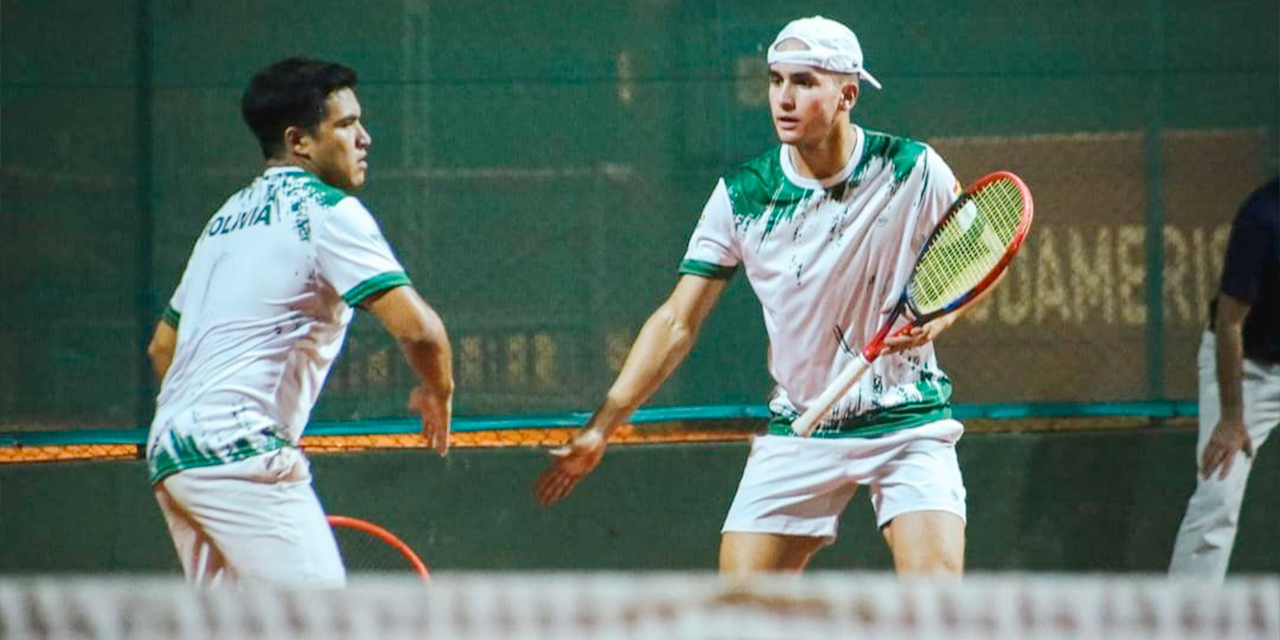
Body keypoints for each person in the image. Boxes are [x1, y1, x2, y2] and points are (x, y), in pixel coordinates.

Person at [536, 16, 975, 576]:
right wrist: (604, 424)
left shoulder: (912, 169)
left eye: (804, 82)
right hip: (802, 427)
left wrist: (944, 314)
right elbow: (676, 321)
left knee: (935, 606)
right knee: (741, 612)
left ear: (848, 94)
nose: (783, 99)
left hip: (908, 424)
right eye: (775, 80)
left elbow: (974, 257)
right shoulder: (745, 195)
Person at [145, 58, 454, 587]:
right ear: (300, 141)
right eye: (345, 124)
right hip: (242, 449)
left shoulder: (225, 218)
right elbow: (419, 330)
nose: (365, 138)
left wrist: (205, 420)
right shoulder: (331, 213)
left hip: (172, 453)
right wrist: (438, 391)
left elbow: (160, 348)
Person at [1169, 177, 1279, 581]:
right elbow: (1230, 322)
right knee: (1219, 494)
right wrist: (1233, 418)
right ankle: (1186, 622)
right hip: (1246, 368)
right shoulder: (1261, 217)